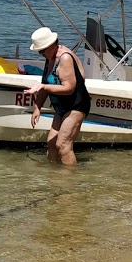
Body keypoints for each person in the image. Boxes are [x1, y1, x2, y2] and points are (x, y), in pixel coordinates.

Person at [22, 26, 90, 166]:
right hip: (62, 106)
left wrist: (44, 87)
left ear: (52, 45)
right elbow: (45, 83)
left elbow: (69, 88)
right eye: (39, 51)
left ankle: (68, 180)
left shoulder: (65, 58)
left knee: (63, 145)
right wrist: (37, 107)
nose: (40, 54)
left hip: (76, 105)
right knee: (51, 144)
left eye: (42, 50)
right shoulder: (49, 57)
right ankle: (52, 176)